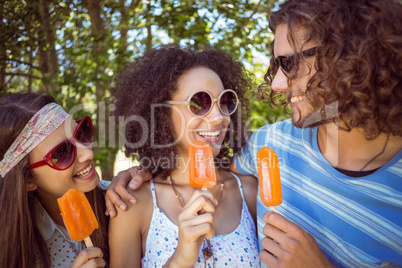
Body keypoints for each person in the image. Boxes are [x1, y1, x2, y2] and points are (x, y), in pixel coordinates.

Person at [105, 0, 402, 267]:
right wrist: (141, 171)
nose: (276, 84)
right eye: (199, 102)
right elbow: (185, 166)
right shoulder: (268, 146)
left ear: (351, 56)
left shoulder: (248, 187)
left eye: (290, 62)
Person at [108, 44, 260, 267]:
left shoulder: (248, 191)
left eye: (225, 102)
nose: (219, 118)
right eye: (200, 102)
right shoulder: (133, 203)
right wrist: (181, 259)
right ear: (162, 114)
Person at [0, 93, 109, 267]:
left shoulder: (119, 202)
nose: (88, 153)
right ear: (28, 181)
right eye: (62, 152)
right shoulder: (12, 247)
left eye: (80, 133)